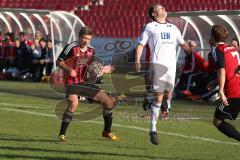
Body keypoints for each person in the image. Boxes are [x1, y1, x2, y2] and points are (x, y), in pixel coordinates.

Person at [135, 3, 194, 145]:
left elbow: (183, 46)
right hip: (158, 66)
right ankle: (153, 129)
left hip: (171, 67)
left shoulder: (173, 28)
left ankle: (154, 103)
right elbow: (141, 44)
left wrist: (190, 49)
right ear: (154, 14)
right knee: (159, 98)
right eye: (160, 8)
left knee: (168, 95)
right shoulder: (150, 27)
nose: (164, 9)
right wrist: (137, 59)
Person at [57, 26, 118, 142]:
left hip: (85, 82)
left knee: (109, 101)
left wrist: (102, 70)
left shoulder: (91, 50)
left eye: (88, 39)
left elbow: (91, 69)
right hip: (72, 83)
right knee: (73, 103)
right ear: (79, 37)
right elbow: (59, 62)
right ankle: (62, 135)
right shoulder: (71, 47)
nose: (86, 41)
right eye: (84, 38)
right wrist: (69, 69)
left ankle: (107, 132)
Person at [211, 25, 240, 141]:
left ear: (212, 37)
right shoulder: (233, 49)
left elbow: (222, 70)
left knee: (217, 120)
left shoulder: (219, 50)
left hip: (233, 92)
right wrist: (214, 82)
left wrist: (221, 91)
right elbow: (232, 68)